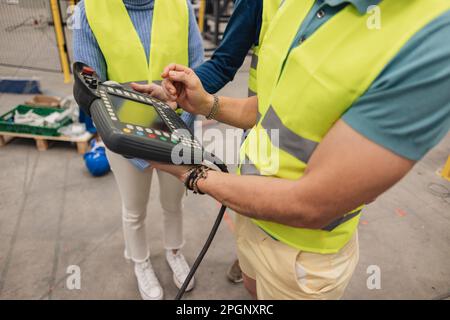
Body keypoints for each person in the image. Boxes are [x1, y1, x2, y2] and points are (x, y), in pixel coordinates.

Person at [134, 0, 450, 299]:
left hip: (304, 254)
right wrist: (208, 104)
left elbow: (312, 203)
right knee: (251, 290)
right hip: (248, 211)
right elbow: (273, 103)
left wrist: (192, 173)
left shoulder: (433, 37)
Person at [140, 0, 282, 283]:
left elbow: (313, 206)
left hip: (314, 152)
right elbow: (225, 61)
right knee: (254, 221)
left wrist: (193, 176)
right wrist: (188, 95)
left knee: (287, 238)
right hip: (259, 131)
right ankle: (250, 257)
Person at [73, 0, 204, 300]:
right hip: (124, 136)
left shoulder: (180, 6)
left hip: (177, 132)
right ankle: (140, 260)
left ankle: (174, 251)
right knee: (134, 208)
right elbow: (90, 87)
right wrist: (126, 136)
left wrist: (179, 124)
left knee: (174, 202)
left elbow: (198, 67)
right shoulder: (88, 10)